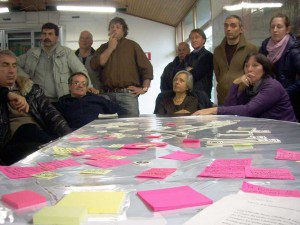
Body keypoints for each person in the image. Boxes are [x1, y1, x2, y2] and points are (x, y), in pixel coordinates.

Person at [0, 50, 72, 165]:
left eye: (14, 66)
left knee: (35, 137)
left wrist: (70, 138)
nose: (11, 70)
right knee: (28, 129)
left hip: (36, 137)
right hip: (10, 143)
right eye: (5, 65)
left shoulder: (29, 89)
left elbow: (51, 113)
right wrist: (7, 95)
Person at [193, 53, 297, 122]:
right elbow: (229, 106)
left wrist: (213, 110)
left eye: (255, 65)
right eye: (247, 66)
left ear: (264, 69)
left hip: (286, 134)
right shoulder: (250, 87)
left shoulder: (272, 86)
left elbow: (249, 110)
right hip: (268, 132)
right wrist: (235, 84)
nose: (249, 69)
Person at [17, 22, 97, 102]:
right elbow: (14, 63)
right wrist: (25, 77)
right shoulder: (32, 54)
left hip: (60, 100)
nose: (47, 37)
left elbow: (80, 70)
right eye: (44, 34)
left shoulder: (66, 53)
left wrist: (89, 86)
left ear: (57, 37)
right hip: (37, 101)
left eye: (50, 34)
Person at [90, 17, 153, 117]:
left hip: (128, 95)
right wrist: (110, 48)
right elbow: (95, 65)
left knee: (131, 128)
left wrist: (144, 89)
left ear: (124, 31)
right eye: (112, 27)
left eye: (118, 27)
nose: (114, 29)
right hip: (106, 95)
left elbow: (147, 69)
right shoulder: (103, 47)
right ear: (109, 31)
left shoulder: (133, 46)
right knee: (107, 130)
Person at [259, 13, 300, 122]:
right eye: (272, 27)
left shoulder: (294, 49)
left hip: (289, 100)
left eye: (279, 26)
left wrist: (285, 92)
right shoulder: (265, 46)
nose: (275, 30)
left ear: (287, 29)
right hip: (268, 98)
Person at [214, 15, 257, 105]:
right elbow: (218, 74)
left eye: (233, 25)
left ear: (241, 29)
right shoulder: (218, 50)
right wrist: (223, 84)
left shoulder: (251, 48)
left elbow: (254, 74)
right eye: (226, 26)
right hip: (223, 97)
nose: (228, 29)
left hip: (242, 97)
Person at [186, 29, 213, 99]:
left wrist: (189, 71)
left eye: (197, 37)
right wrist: (190, 71)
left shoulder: (208, 56)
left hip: (202, 95)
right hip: (188, 94)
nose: (194, 40)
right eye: (191, 38)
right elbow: (181, 72)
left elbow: (196, 74)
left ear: (203, 40)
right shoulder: (189, 56)